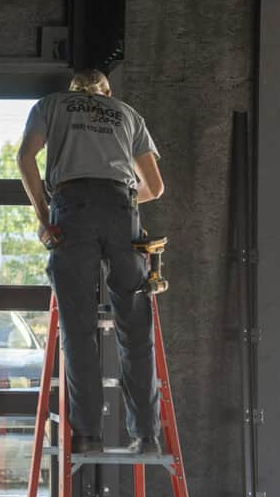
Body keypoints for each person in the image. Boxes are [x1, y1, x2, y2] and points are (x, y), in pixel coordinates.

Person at [15, 69, 166, 454]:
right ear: (106, 92)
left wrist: (44, 216)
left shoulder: (51, 105)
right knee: (134, 327)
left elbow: (25, 157)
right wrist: (124, 202)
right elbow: (156, 187)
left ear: (73, 91)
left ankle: (87, 437)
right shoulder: (127, 113)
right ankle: (147, 436)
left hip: (73, 207)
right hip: (121, 210)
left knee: (79, 328)